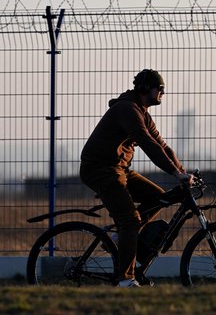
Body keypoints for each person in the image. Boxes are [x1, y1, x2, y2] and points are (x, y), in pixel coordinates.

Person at [80, 69, 193, 288]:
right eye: (158, 89)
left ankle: (120, 238)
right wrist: (175, 173)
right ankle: (125, 279)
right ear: (144, 88)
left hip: (118, 169)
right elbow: (148, 144)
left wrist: (182, 172)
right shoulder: (127, 109)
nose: (162, 93)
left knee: (159, 197)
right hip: (100, 169)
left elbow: (162, 145)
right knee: (130, 221)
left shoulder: (142, 113)